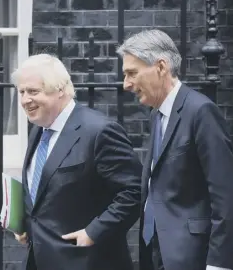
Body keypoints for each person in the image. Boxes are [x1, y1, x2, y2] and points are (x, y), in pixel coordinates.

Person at [117, 29, 233, 270]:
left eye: (132, 73)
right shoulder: (157, 115)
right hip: (160, 253)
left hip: (195, 258)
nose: (126, 84)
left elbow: (226, 196)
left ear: (160, 67)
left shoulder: (200, 112)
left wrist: (218, 264)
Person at [11, 53, 143, 270]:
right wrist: (25, 224)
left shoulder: (99, 131)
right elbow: (45, 194)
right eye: (22, 92)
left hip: (88, 261)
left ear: (60, 89)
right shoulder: (39, 131)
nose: (25, 100)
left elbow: (134, 191)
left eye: (33, 91)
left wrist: (94, 232)